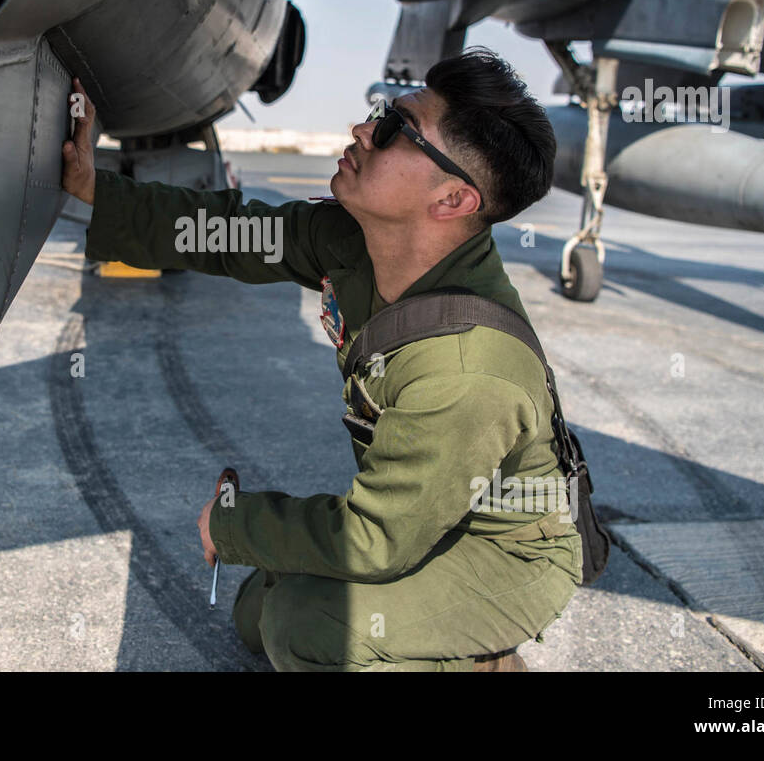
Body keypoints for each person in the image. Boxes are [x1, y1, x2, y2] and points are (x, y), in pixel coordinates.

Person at [61, 46, 581, 671]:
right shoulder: (357, 241)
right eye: (381, 113)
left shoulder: (467, 370)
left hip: (500, 554)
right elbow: (227, 234)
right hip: (424, 514)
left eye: (395, 130)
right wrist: (97, 189)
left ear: (451, 200)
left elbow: (375, 539)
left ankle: (484, 661)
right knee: (254, 611)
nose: (364, 128)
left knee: (305, 628)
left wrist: (233, 524)